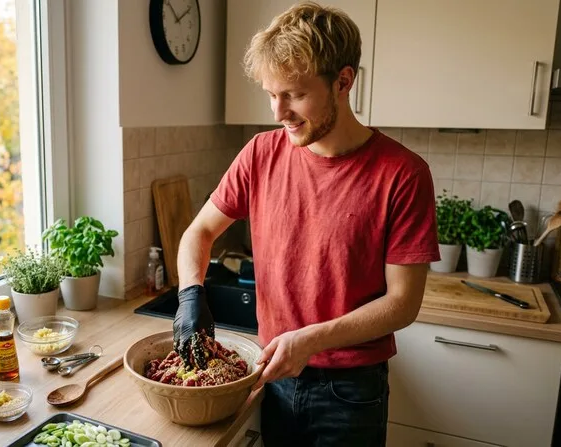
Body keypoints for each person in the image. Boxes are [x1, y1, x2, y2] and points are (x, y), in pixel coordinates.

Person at [172, 1, 440, 446]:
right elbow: (199, 232)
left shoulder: (403, 173)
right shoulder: (260, 154)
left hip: (351, 392)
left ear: (343, 81)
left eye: (294, 94)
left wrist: (310, 340)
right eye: (270, 93)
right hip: (273, 375)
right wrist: (190, 294)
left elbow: (402, 304)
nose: (278, 112)